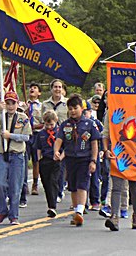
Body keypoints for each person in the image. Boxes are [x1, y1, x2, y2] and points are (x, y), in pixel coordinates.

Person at [53, 94, 100, 227]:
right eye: (70, 108)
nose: (73, 111)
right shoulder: (65, 125)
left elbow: (94, 143)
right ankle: (76, 212)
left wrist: (93, 160)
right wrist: (56, 151)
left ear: (82, 108)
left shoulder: (90, 124)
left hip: (84, 158)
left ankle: (80, 210)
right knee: (72, 186)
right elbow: (59, 140)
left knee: (82, 184)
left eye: (75, 108)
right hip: (70, 158)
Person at [0, 91, 32, 225]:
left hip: (17, 155)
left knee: (15, 187)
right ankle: (2, 210)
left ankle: (14, 215)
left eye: (13, 103)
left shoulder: (22, 117)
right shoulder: (1, 115)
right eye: (8, 103)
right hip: (2, 154)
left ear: (17, 103)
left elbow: (27, 137)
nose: (10, 106)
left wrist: (11, 136)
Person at [101, 116, 136, 231]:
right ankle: (114, 217)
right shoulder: (111, 110)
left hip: (135, 151)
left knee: (134, 185)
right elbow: (106, 133)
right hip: (118, 151)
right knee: (116, 186)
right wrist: (106, 149)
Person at [43, 79, 68, 203]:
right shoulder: (45, 104)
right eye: (55, 87)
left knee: (61, 165)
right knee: (51, 165)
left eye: (59, 87)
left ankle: (59, 189)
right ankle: (53, 189)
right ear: (51, 88)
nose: (57, 89)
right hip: (49, 137)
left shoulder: (67, 103)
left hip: (62, 136)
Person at [35, 110, 62, 217]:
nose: (50, 127)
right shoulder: (41, 134)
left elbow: (64, 147)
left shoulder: (59, 132)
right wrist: (38, 159)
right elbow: (38, 148)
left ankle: (53, 206)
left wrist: (61, 156)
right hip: (45, 159)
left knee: (53, 181)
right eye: (47, 124)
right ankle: (50, 204)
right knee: (46, 183)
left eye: (51, 124)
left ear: (56, 122)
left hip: (56, 160)